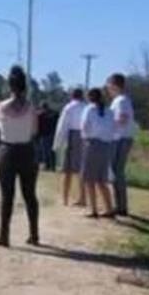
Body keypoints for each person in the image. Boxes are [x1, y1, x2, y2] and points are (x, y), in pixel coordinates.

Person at [0, 66, 40, 248]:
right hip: (27, 151)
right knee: (30, 195)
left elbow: (0, 128)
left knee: (7, 196)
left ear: (10, 86)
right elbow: (34, 131)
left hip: (7, 151)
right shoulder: (31, 108)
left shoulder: (2, 107)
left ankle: (4, 235)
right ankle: (34, 234)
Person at [79, 88, 115, 219]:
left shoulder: (89, 109)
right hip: (106, 146)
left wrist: (85, 139)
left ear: (90, 98)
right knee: (101, 180)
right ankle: (109, 208)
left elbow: (84, 126)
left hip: (93, 143)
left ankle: (93, 209)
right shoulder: (109, 111)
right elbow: (113, 127)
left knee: (89, 179)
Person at [106, 73, 136, 217]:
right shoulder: (120, 100)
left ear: (114, 85)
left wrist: (108, 126)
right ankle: (119, 205)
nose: (108, 89)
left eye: (109, 86)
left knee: (117, 172)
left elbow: (122, 119)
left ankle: (121, 206)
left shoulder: (121, 101)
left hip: (121, 138)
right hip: (122, 137)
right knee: (116, 172)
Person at [53, 88, 87, 207]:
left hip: (72, 136)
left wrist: (57, 143)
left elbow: (62, 126)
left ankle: (65, 198)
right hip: (85, 137)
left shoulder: (69, 107)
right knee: (81, 169)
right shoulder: (86, 107)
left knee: (67, 170)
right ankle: (82, 197)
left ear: (71, 96)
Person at [37, 102, 58, 172]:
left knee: (45, 151)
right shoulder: (55, 114)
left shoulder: (40, 115)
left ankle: (47, 166)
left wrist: (37, 135)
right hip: (53, 134)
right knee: (52, 151)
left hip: (44, 135)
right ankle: (53, 166)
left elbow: (38, 126)